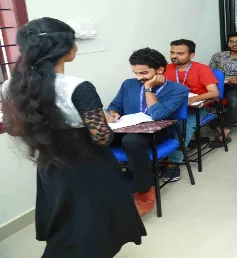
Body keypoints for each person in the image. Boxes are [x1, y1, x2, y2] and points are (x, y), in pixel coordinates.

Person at [1, 18, 147, 257]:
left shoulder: (9, 86)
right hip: (89, 165)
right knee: (94, 225)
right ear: (65, 49)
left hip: (50, 165)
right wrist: (102, 121)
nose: (76, 47)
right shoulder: (78, 87)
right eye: (73, 42)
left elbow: (14, 127)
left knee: (66, 220)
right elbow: (102, 138)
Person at [106, 47, 190, 213]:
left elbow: (157, 114)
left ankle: (144, 189)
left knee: (131, 141)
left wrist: (149, 88)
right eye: (135, 73)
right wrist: (113, 114)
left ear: (159, 70)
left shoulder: (178, 90)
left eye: (143, 73)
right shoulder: (128, 84)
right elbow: (114, 106)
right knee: (94, 137)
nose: (139, 78)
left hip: (157, 132)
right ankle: (110, 184)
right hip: (125, 127)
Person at [164, 39, 219, 180]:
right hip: (172, 107)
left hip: (197, 108)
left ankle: (173, 163)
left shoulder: (202, 69)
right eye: (172, 52)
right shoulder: (166, 68)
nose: (174, 56)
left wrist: (192, 99)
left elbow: (214, 93)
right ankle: (163, 154)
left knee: (183, 125)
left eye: (180, 53)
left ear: (191, 55)